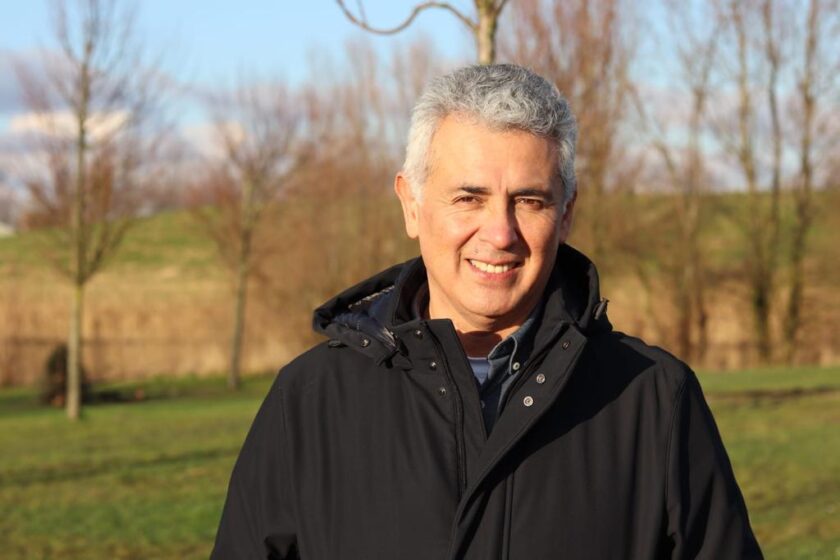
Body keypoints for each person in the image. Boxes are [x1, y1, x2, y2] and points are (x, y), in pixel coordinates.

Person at [211, 64, 763, 559]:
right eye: (468, 198)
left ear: (566, 214)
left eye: (529, 201)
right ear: (411, 204)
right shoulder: (310, 401)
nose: (500, 233)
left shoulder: (654, 399)